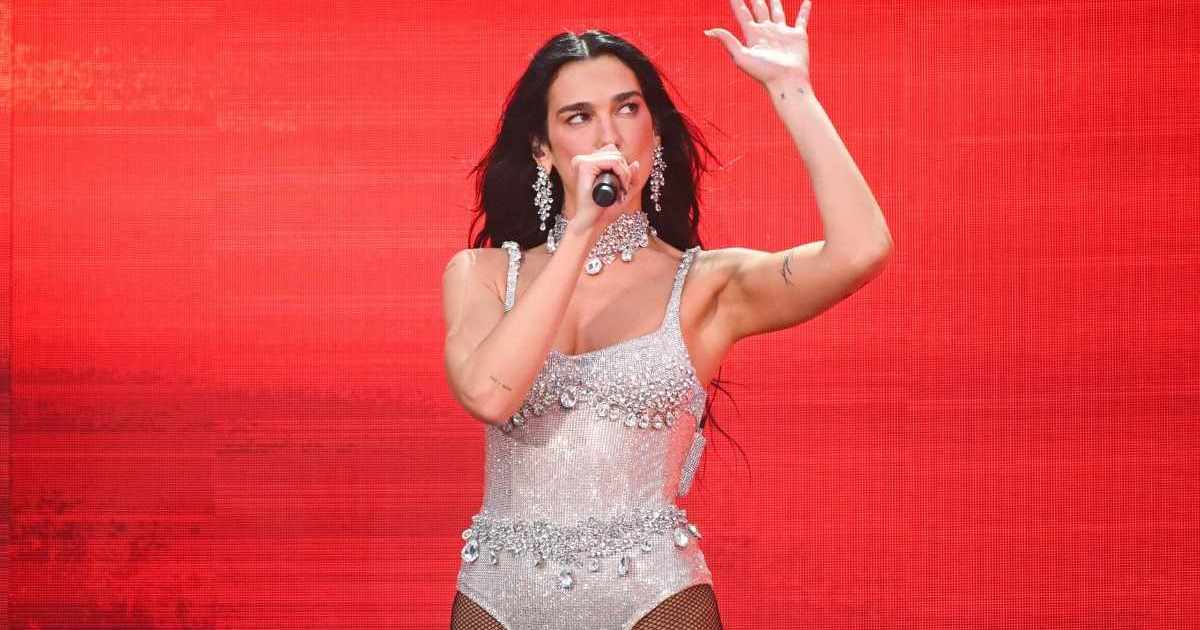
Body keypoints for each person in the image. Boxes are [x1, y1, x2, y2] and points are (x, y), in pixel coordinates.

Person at [441, 1, 891, 627]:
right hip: (499, 599)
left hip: (653, 598)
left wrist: (793, 91)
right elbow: (490, 395)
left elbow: (861, 251)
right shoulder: (483, 274)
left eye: (628, 109)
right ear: (543, 149)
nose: (609, 135)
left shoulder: (706, 286)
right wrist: (581, 234)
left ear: (654, 135)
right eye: (579, 117)